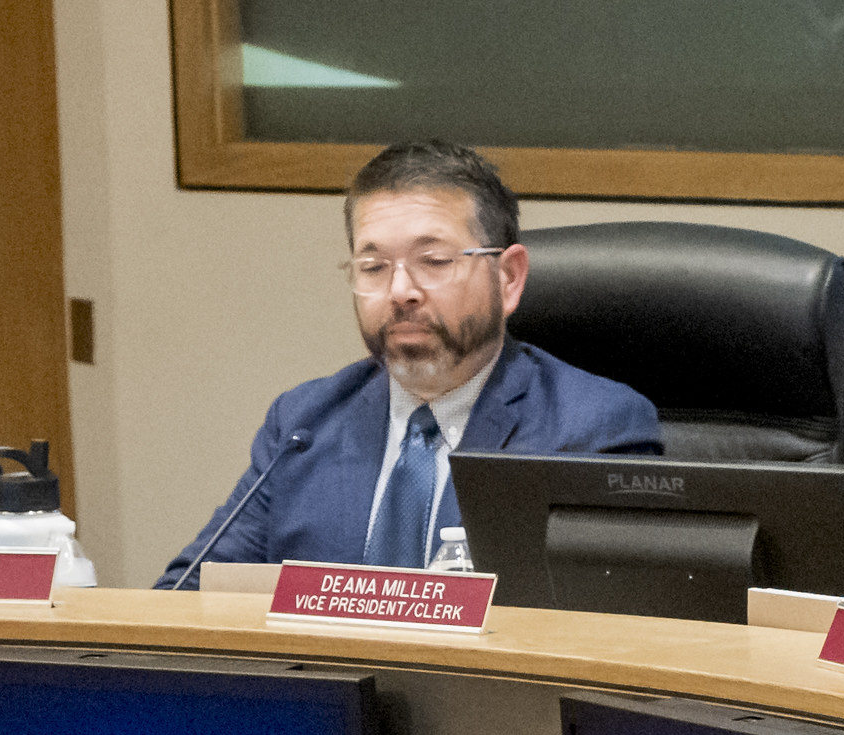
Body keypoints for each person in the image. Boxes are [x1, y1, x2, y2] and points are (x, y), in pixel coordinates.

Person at [158, 141, 661, 588]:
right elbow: (187, 598)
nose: (401, 291)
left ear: (508, 278)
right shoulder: (304, 422)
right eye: (373, 267)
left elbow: (617, 636)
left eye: (435, 261)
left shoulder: (591, 429)